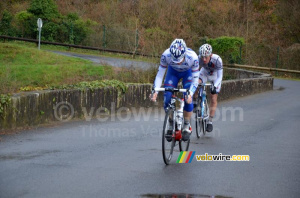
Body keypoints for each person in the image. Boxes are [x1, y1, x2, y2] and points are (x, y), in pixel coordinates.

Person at [150, 38, 199, 141]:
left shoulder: (193, 57)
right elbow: (160, 75)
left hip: (187, 73)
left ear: (184, 54)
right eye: (174, 59)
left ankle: (186, 124)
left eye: (179, 59)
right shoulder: (166, 55)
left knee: (187, 98)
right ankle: (171, 123)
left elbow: (195, 80)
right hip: (172, 73)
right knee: (167, 98)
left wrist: (190, 93)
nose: (177, 62)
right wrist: (155, 91)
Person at [197, 43, 223, 132]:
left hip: (215, 76)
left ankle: (210, 121)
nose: (204, 59)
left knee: (213, 97)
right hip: (204, 72)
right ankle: (197, 100)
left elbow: (220, 77)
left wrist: (215, 86)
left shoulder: (217, 60)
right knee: (196, 83)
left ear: (211, 55)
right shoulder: (198, 59)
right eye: (202, 57)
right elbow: (194, 72)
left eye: (206, 57)